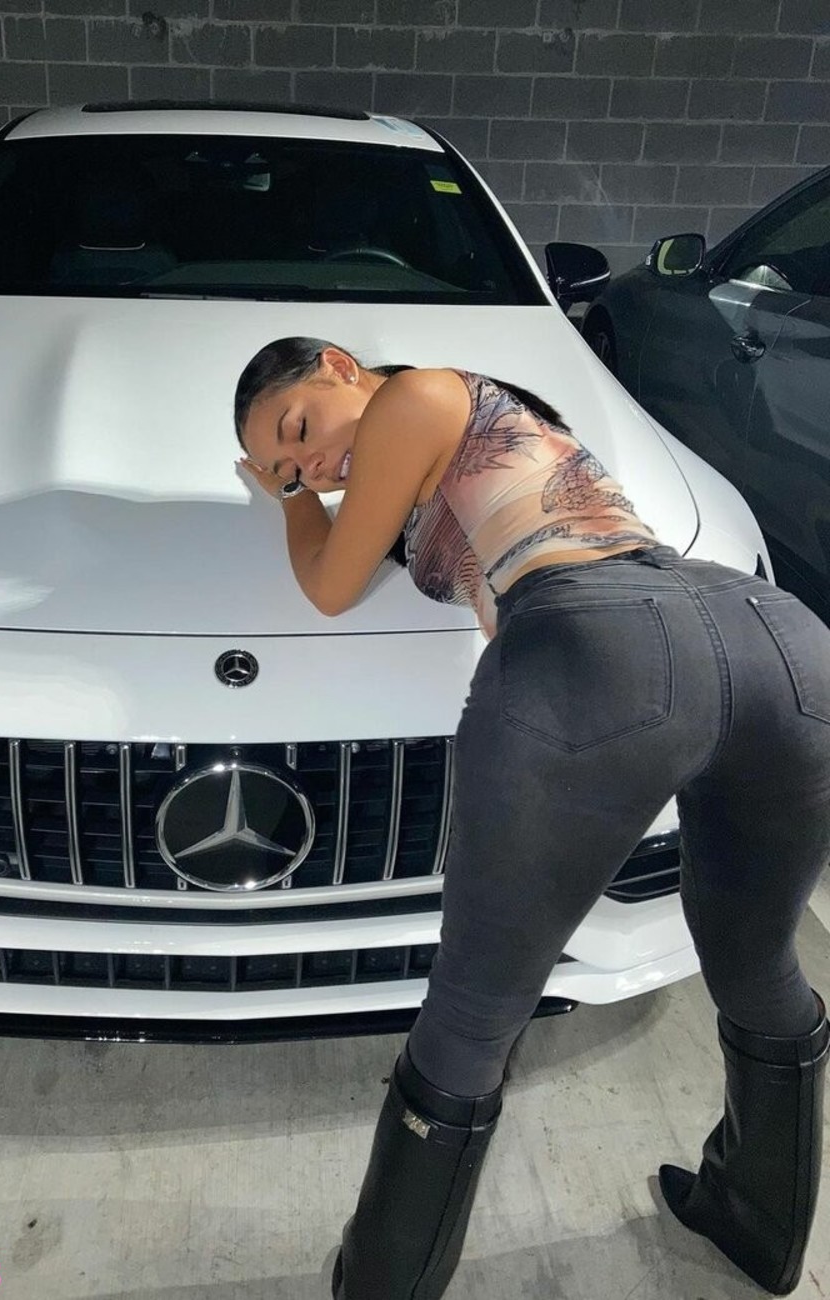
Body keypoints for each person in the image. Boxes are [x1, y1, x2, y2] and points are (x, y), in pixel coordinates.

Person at [233, 336, 830, 1300]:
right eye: (288, 466)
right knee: (759, 964)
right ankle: (757, 1226)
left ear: (341, 365)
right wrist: (314, 484)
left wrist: (287, 501)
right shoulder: (479, 433)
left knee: (472, 1017)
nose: (309, 465)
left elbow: (330, 586)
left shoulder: (417, 396)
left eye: (296, 431)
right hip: (781, 640)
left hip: (598, 643)